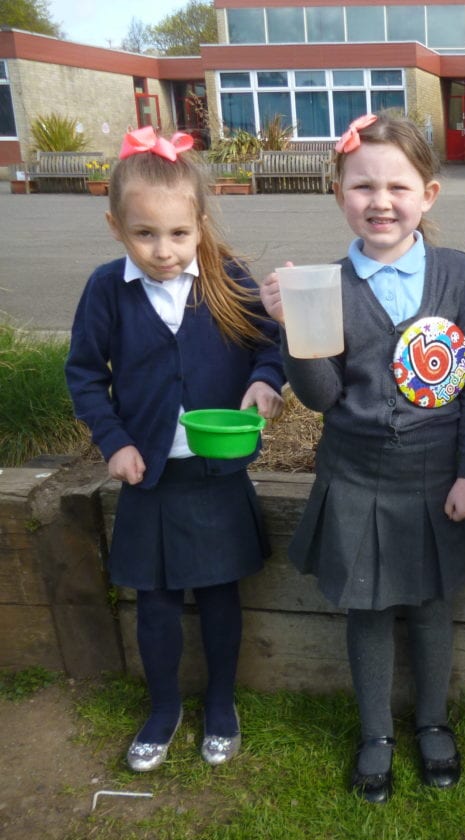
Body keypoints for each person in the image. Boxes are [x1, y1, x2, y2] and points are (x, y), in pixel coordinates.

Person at [259, 114, 465, 804]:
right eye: (363, 186)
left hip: (435, 474)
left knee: (429, 604)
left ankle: (432, 722)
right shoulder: (325, 283)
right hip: (356, 474)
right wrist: (293, 329)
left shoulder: (455, 272)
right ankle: (376, 735)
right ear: (339, 195)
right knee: (365, 608)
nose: (381, 201)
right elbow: (322, 396)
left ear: (429, 194)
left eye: (398, 186)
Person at [65, 127, 286, 772]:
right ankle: (163, 708)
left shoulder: (227, 278)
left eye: (178, 233)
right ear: (116, 226)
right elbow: (85, 374)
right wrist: (114, 442)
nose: (163, 251)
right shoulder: (107, 290)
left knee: (219, 596)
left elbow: (269, 344)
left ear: (200, 225)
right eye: (144, 234)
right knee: (156, 603)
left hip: (215, 476)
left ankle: (220, 702)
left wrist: (265, 381)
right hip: (150, 478)